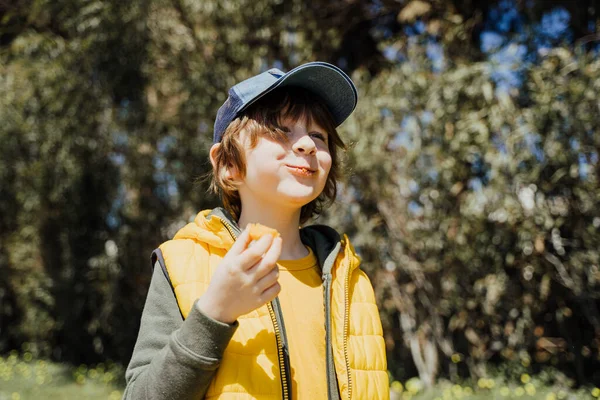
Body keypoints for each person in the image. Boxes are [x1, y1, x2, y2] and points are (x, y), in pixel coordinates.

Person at [123, 62, 389, 400]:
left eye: (319, 135)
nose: (307, 144)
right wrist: (214, 313)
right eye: (280, 131)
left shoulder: (351, 279)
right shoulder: (180, 264)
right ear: (228, 165)